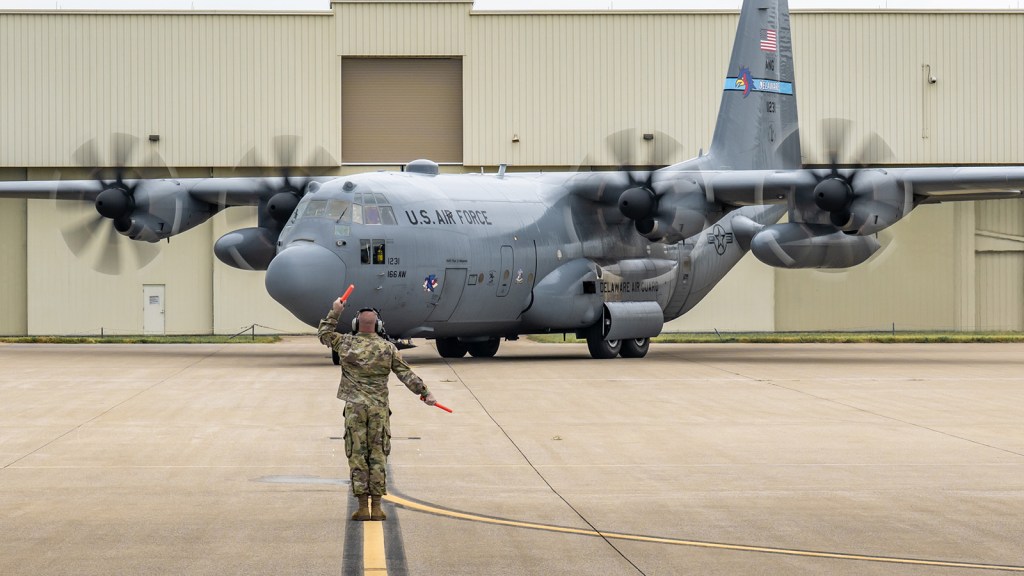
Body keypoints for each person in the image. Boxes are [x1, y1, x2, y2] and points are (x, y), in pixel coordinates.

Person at [318, 298, 437, 521]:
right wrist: (425, 393)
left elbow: (324, 334)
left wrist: (335, 312)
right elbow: (405, 374)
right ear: (378, 326)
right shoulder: (387, 348)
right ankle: (378, 507)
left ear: (356, 325)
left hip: (354, 409)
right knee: (378, 456)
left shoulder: (345, 343)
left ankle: (363, 507)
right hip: (378, 411)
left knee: (357, 455)